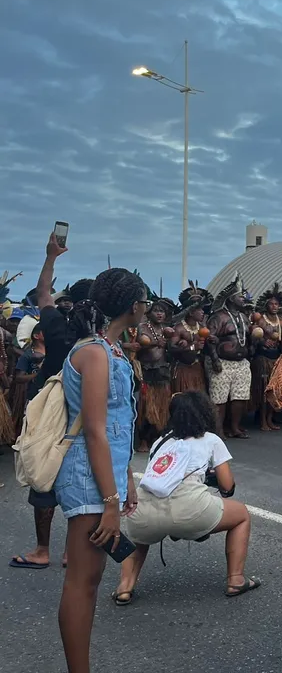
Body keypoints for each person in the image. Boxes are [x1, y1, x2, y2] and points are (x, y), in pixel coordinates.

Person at [55, 267, 145, 673]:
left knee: (88, 580)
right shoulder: (93, 352)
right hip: (88, 475)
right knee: (82, 581)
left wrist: (125, 478)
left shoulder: (111, 349)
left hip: (105, 472)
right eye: (144, 301)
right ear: (133, 306)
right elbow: (94, 429)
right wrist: (109, 501)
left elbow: (117, 422)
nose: (147, 307)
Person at [113, 391, 259, 604]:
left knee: (140, 539)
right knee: (242, 515)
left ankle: (125, 587)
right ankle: (236, 579)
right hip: (191, 511)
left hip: (144, 512)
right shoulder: (211, 440)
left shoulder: (160, 441)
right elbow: (227, 485)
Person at [9, 237, 90, 571]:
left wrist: (50, 257)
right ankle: (72, 551)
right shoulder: (102, 337)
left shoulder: (56, 325)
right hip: (85, 411)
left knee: (44, 476)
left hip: (50, 409)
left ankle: (43, 550)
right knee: (76, 478)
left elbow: (43, 293)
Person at [206, 275, 252, 439]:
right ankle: (218, 429)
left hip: (241, 363)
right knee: (219, 398)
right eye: (240, 296)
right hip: (222, 362)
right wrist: (215, 359)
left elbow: (249, 339)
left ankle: (235, 427)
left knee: (240, 396)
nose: (243, 298)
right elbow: (209, 340)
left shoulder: (244, 317)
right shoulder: (218, 317)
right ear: (231, 298)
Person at [135, 296, 175, 452]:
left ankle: (157, 438)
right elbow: (138, 346)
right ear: (149, 312)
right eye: (157, 311)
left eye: (162, 312)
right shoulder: (142, 327)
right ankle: (144, 440)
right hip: (147, 372)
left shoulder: (166, 329)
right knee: (146, 408)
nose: (160, 314)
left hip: (162, 371)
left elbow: (169, 351)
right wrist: (154, 343)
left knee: (162, 407)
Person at [250, 283, 282, 431]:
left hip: (275, 359)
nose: (274, 306)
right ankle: (262, 421)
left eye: (276, 304)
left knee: (274, 391)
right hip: (263, 358)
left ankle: (269, 419)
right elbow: (253, 336)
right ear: (266, 305)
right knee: (263, 390)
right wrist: (261, 340)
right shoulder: (260, 320)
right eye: (271, 304)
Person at [171, 282, 211, 394]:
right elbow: (171, 348)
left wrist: (212, 342)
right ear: (192, 312)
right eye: (200, 310)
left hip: (198, 368)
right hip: (182, 369)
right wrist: (193, 346)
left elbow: (206, 349)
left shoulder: (203, 327)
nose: (203, 312)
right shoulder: (179, 328)